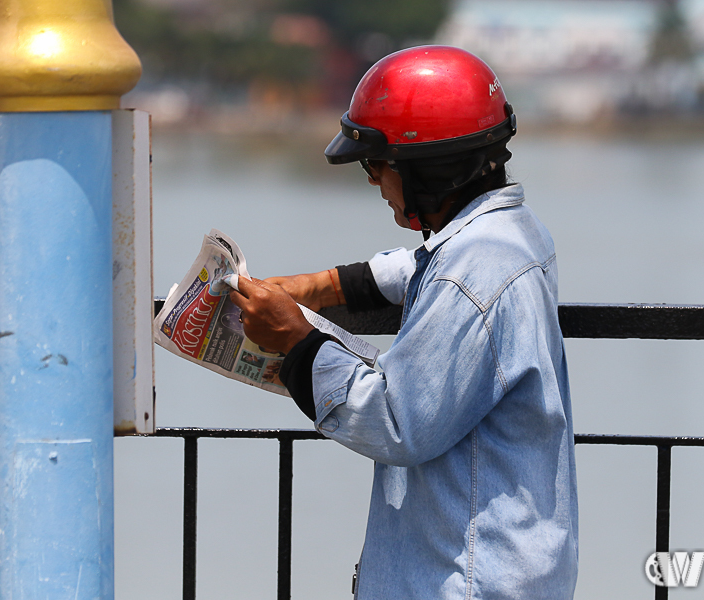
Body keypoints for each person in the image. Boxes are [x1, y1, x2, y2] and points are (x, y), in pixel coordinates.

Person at [228, 46, 578, 600]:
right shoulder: (509, 235)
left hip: (466, 579)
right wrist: (319, 285)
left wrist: (297, 341)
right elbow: (419, 266)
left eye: (377, 165)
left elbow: (395, 421)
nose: (374, 182)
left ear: (426, 171)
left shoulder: (474, 273)